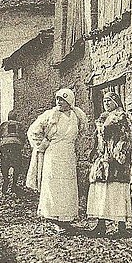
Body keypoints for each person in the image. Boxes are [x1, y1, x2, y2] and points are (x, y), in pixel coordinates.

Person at [26, 88, 88, 232]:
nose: (59, 102)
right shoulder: (50, 115)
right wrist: (42, 145)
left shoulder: (76, 116)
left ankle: (66, 218)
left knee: (67, 186)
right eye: (58, 99)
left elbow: (82, 134)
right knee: (54, 184)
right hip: (53, 154)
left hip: (68, 155)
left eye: (63, 99)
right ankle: (54, 217)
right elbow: (33, 131)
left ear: (70, 102)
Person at [87, 91, 132, 237]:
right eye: (104, 101)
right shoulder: (102, 118)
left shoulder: (122, 117)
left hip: (116, 161)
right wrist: (95, 151)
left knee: (117, 191)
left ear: (116, 102)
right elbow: (98, 138)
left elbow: (129, 136)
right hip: (102, 160)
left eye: (109, 100)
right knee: (102, 191)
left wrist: (118, 153)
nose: (106, 103)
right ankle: (101, 224)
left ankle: (121, 226)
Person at [0, 110, 25, 195]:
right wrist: (21, 146)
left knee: (5, 165)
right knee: (17, 166)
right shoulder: (19, 125)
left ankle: (6, 181)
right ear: (15, 117)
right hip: (16, 146)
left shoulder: (3, 124)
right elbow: (23, 137)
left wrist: (0, 148)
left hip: (5, 147)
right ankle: (14, 185)